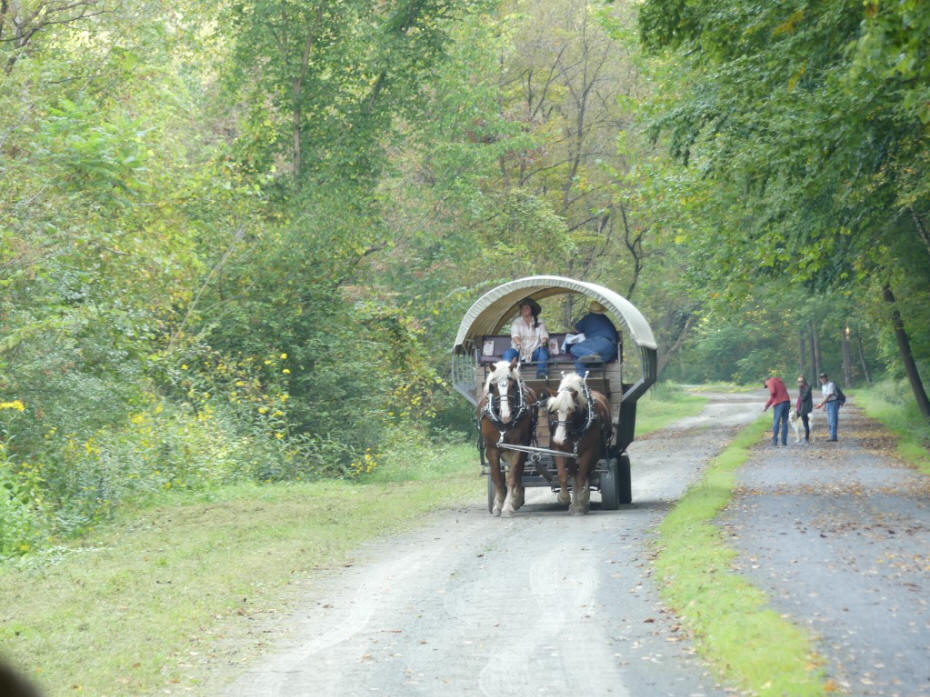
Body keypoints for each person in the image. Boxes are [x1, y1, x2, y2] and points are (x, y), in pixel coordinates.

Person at [501, 297, 549, 379]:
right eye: (522, 308)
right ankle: (508, 376)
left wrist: (544, 342)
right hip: (519, 351)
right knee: (507, 353)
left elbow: (544, 336)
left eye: (526, 308)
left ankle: (541, 376)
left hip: (534, 352)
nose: (524, 310)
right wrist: (519, 343)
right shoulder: (517, 322)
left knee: (543, 352)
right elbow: (515, 336)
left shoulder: (540, 322)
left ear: (532, 310)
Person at [568, 301, 619, 376]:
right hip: (610, 351)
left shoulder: (588, 317)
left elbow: (576, 329)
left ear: (590, 310)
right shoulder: (606, 319)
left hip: (599, 344)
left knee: (574, 349)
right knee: (579, 359)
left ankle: (591, 355)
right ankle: (581, 379)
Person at [763, 375, 791, 446]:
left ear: (766, 381)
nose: (767, 386)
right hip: (787, 402)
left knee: (776, 422)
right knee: (785, 422)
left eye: (766, 385)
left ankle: (774, 441)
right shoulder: (780, 381)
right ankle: (784, 442)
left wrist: (766, 406)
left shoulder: (771, 381)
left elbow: (773, 393)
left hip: (779, 403)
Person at [815, 372, 839, 441]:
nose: (822, 379)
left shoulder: (831, 384)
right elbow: (824, 396)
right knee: (829, 421)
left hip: (834, 402)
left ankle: (833, 437)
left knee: (833, 420)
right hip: (828, 403)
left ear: (826, 378)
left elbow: (829, 395)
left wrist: (821, 404)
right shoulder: (823, 386)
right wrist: (824, 406)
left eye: (823, 378)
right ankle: (831, 435)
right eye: (821, 378)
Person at [795, 376, 813, 442]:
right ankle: (800, 437)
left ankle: (806, 438)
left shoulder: (807, 387)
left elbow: (803, 397)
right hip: (801, 407)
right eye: (798, 381)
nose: (800, 383)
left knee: (806, 423)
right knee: (799, 422)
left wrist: (800, 390)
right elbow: (800, 399)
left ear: (804, 381)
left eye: (801, 381)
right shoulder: (801, 388)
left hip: (806, 408)